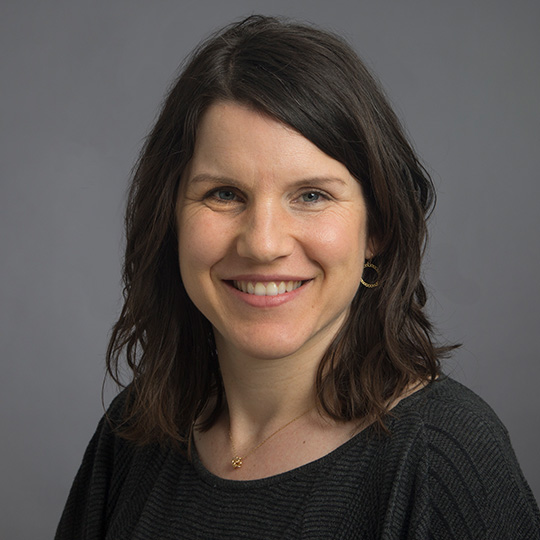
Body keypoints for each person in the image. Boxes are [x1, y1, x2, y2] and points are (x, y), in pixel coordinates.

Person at [55, 15, 540, 539]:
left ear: (376, 227)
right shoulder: (134, 434)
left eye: (312, 195)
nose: (263, 243)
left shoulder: (444, 459)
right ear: (170, 219)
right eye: (223, 194)